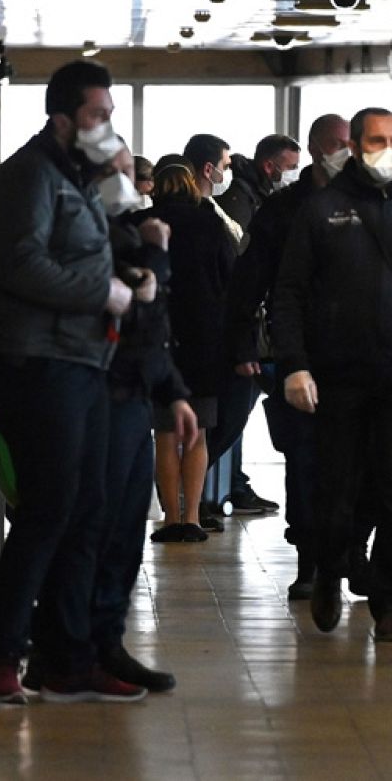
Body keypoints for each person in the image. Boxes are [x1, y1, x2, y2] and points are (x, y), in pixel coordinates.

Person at [0, 59, 145, 703]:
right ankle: (2, 654)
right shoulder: (28, 175)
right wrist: (105, 294)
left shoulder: (81, 175)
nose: (106, 128)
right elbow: (21, 265)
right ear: (63, 118)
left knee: (87, 510)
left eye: (110, 116)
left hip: (81, 360)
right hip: (35, 360)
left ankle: (67, 657)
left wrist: (136, 243)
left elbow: (111, 244)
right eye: (97, 116)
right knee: (50, 508)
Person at [275, 106, 392, 643]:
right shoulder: (321, 210)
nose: (389, 149)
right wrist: (295, 364)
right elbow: (288, 292)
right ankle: (330, 570)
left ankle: (390, 603)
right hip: (339, 374)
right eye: (377, 139)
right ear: (353, 145)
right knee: (338, 488)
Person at [83, 143, 198, 693]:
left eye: (135, 172)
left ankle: (106, 643)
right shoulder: (84, 230)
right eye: (122, 173)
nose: (136, 182)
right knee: (95, 527)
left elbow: (150, 315)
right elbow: (130, 304)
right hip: (95, 392)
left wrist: (173, 391)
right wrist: (153, 261)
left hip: (132, 390)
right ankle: (77, 648)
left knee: (126, 528)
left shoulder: (131, 229)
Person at [224, 123, 340, 599]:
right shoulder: (283, 209)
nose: (349, 154)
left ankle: (351, 548)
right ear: (315, 149)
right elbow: (249, 280)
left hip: (362, 359)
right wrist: (242, 345)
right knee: (306, 460)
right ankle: (310, 559)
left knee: (364, 463)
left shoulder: (373, 200)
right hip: (300, 356)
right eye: (340, 145)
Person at [137, 161, 235, 543]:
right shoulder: (209, 223)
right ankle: (192, 517)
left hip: (157, 336)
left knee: (163, 432)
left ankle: (170, 518)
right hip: (205, 338)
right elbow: (230, 276)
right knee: (198, 435)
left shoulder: (140, 220)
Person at [184, 133, 278, 519]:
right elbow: (233, 279)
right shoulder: (216, 214)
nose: (227, 168)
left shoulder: (217, 209)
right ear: (208, 168)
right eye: (224, 163)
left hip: (214, 333)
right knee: (220, 420)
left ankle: (203, 497)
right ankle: (194, 501)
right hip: (221, 335)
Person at [217, 133, 301, 231]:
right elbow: (236, 241)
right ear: (268, 167)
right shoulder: (240, 196)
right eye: (292, 167)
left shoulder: (268, 192)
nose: (296, 173)